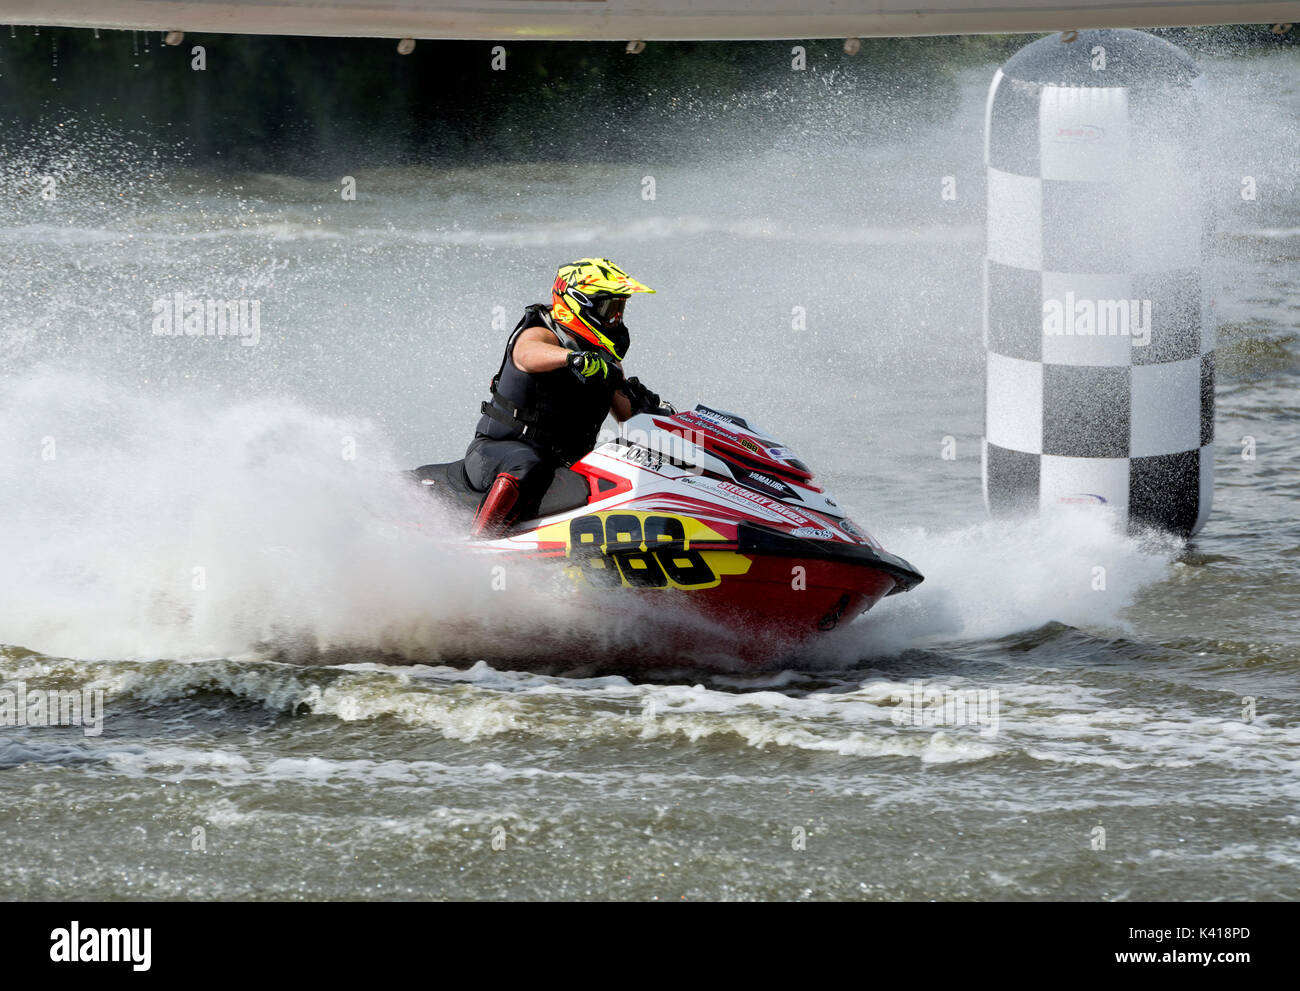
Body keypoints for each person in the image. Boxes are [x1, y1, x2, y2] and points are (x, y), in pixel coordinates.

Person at [466, 257, 663, 538]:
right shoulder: (541, 334)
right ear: (578, 303)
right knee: (526, 465)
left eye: (620, 309)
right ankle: (479, 545)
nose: (616, 319)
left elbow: (629, 418)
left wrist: (658, 419)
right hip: (495, 453)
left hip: (562, 465)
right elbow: (526, 354)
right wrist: (571, 358)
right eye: (609, 309)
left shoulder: (607, 361)